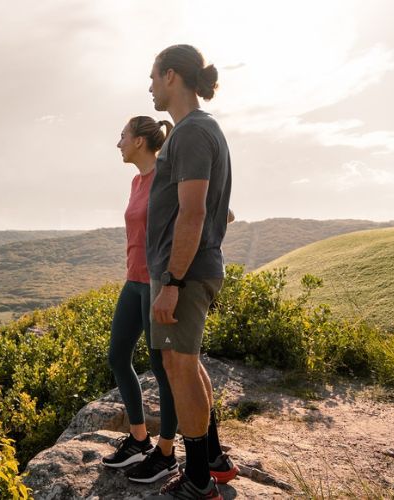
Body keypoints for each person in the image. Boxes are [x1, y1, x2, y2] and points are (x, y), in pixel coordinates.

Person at [145, 44, 237, 499]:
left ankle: (199, 478)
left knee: (179, 365)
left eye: (153, 77)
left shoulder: (191, 133)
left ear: (172, 77)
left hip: (184, 273)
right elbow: (207, 204)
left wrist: (173, 283)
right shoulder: (200, 132)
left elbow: (193, 211)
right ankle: (214, 459)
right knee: (182, 362)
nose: (149, 87)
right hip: (186, 268)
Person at [101, 116, 180, 484]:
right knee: (118, 355)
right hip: (133, 281)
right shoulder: (136, 181)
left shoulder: (166, 176)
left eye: (122, 137)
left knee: (161, 366)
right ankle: (139, 440)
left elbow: (203, 208)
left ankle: (167, 453)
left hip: (155, 283)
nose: (118, 144)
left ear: (139, 142)